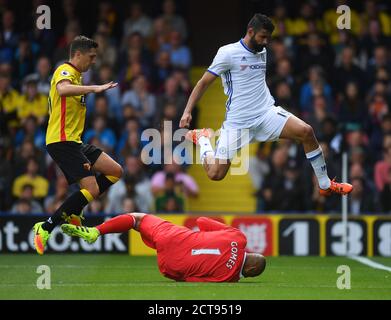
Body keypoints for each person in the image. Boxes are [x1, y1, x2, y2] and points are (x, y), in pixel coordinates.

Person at [180, 13, 353, 197]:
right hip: (238, 123)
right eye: (262, 37)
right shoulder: (227, 53)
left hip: (265, 114)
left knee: (306, 131)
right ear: (250, 31)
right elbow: (203, 83)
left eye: (268, 38)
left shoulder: (262, 51)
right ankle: (204, 140)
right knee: (215, 174)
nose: (265, 42)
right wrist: (187, 111)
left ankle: (325, 184)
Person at [33, 36, 123, 255]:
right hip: (61, 141)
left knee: (115, 171)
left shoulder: (78, 77)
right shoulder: (64, 70)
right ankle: (45, 227)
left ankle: (76, 211)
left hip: (75, 142)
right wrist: (95, 89)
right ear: (78, 54)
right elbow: (63, 90)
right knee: (91, 188)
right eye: (91, 57)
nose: (93, 62)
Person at [61, 213, 266, 282]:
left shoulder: (238, 238)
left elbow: (202, 220)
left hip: (175, 238)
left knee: (136, 220)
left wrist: (206, 238)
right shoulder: (228, 279)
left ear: (249, 256)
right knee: (155, 241)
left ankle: (96, 231)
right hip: (171, 268)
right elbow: (194, 280)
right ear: (248, 271)